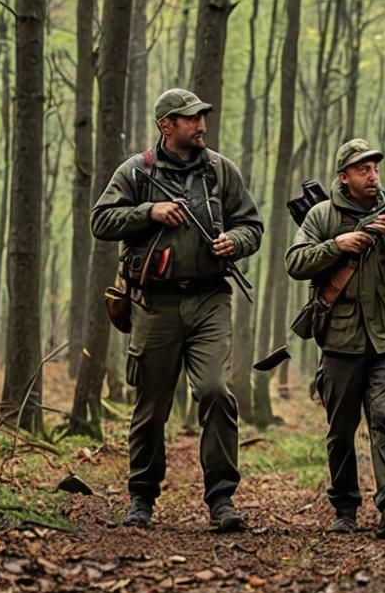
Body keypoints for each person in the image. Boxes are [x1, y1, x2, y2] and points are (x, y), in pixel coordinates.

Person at [91, 88, 264, 531]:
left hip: (210, 300)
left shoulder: (221, 171)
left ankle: (222, 499)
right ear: (166, 126)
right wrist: (149, 211)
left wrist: (236, 241)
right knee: (151, 404)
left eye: (202, 116)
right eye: (191, 118)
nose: (201, 124)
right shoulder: (136, 171)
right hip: (154, 303)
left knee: (215, 392)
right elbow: (101, 220)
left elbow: (252, 225)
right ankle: (141, 498)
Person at [284, 138, 385, 539]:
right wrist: (337, 245)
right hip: (340, 340)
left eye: (375, 169)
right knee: (341, 428)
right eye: (363, 169)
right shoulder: (321, 215)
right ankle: (345, 508)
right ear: (344, 176)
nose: (372, 176)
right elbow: (294, 262)